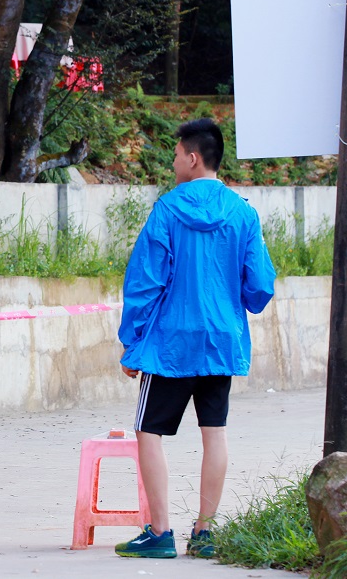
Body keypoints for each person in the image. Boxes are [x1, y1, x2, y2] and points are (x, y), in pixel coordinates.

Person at [115, 118, 276, 558]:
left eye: (175, 155)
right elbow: (260, 286)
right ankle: (204, 534)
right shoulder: (243, 212)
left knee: (148, 430)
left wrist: (132, 342)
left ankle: (160, 533)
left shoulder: (167, 210)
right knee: (215, 433)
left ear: (192, 158)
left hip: (170, 343)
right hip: (221, 343)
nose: (172, 164)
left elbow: (145, 282)